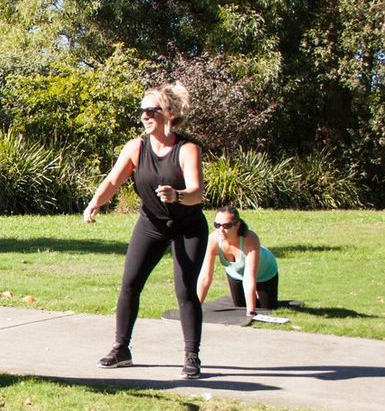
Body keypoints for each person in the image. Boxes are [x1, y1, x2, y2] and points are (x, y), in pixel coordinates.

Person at [82, 81, 208, 378]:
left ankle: (192, 357)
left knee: (185, 291)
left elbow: (197, 192)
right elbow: (113, 181)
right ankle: (121, 349)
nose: (144, 116)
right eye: (141, 111)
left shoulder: (187, 149)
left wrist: (178, 196)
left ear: (170, 113)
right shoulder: (136, 147)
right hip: (151, 224)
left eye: (150, 110)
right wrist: (95, 203)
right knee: (130, 284)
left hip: (188, 227)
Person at [198, 205, 279, 319]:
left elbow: (249, 278)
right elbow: (205, 277)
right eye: (217, 225)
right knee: (239, 307)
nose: (221, 230)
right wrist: (196, 306)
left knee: (265, 310)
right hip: (235, 274)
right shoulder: (212, 240)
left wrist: (251, 311)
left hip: (264, 273)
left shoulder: (249, 238)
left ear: (237, 225)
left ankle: (259, 294)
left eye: (226, 226)